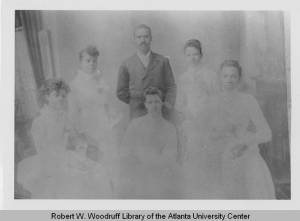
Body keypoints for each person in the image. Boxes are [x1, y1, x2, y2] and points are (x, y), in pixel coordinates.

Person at [16, 79, 112, 198]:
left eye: (63, 96)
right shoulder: (40, 121)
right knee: (74, 179)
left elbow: (74, 136)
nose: (61, 98)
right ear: (46, 97)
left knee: (98, 171)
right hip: (49, 161)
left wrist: (80, 146)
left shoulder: (63, 116)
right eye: (56, 95)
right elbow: (42, 148)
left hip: (65, 156)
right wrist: (64, 161)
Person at [202, 60, 275, 199]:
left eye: (233, 76)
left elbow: (266, 133)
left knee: (252, 172)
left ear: (239, 79)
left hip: (244, 152)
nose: (229, 80)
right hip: (218, 153)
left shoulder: (248, 100)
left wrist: (245, 143)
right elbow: (205, 132)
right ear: (219, 78)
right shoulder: (211, 101)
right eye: (225, 76)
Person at [116, 87, 181, 199]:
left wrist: (150, 163)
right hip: (137, 174)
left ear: (162, 103)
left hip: (160, 177)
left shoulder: (169, 128)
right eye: (150, 102)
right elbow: (124, 151)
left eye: (157, 101)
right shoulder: (135, 125)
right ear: (145, 105)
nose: (154, 106)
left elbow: (170, 157)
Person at [176, 39, 219, 198]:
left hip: (208, 122)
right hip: (191, 122)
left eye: (195, 54)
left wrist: (206, 116)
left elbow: (216, 101)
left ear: (201, 55)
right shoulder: (183, 78)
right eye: (189, 55)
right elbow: (180, 103)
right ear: (185, 57)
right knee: (192, 157)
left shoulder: (210, 75)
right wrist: (189, 114)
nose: (192, 58)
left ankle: (209, 194)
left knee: (207, 157)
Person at [68, 45, 116, 169]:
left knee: (108, 157)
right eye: (87, 61)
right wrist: (81, 134)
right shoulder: (75, 85)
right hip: (88, 126)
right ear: (80, 62)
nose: (91, 64)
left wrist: (110, 116)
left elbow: (106, 103)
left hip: (104, 123)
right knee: (94, 159)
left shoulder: (100, 80)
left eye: (94, 61)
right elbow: (73, 113)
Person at [116, 24, 177, 121]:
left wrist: (167, 105)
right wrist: (136, 101)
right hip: (138, 113)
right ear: (134, 40)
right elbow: (121, 92)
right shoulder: (126, 64)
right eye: (139, 37)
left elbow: (171, 86)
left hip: (161, 112)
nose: (142, 40)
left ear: (151, 38)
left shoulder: (162, 61)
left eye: (146, 37)